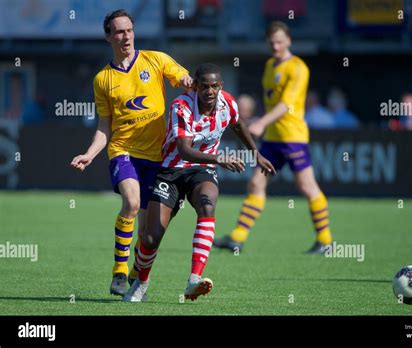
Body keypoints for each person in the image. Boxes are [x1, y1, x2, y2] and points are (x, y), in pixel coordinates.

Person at [123, 63, 275, 302]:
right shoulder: (181, 106)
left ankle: (194, 280)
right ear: (195, 86)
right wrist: (220, 158)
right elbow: (184, 151)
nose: (210, 91)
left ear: (221, 86)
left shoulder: (228, 103)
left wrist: (256, 153)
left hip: (202, 170)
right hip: (170, 171)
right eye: (204, 86)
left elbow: (237, 125)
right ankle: (141, 282)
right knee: (150, 238)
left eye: (215, 86)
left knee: (207, 204)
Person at [70, 9, 193, 296]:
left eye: (129, 30)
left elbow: (184, 78)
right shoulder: (103, 79)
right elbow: (104, 126)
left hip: (157, 156)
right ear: (108, 37)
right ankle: (119, 272)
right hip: (123, 151)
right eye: (118, 31)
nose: (125, 36)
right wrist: (90, 153)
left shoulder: (156, 59)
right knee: (132, 202)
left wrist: (190, 83)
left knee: (147, 232)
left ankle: (139, 272)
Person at [213, 21, 334, 254]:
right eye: (272, 42)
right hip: (272, 138)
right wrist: (262, 123)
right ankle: (237, 238)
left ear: (289, 40)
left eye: (280, 41)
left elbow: (286, 105)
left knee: (307, 186)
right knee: (256, 183)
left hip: (292, 137)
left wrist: (260, 122)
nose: (276, 46)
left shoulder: (298, 67)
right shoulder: (270, 65)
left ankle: (325, 240)